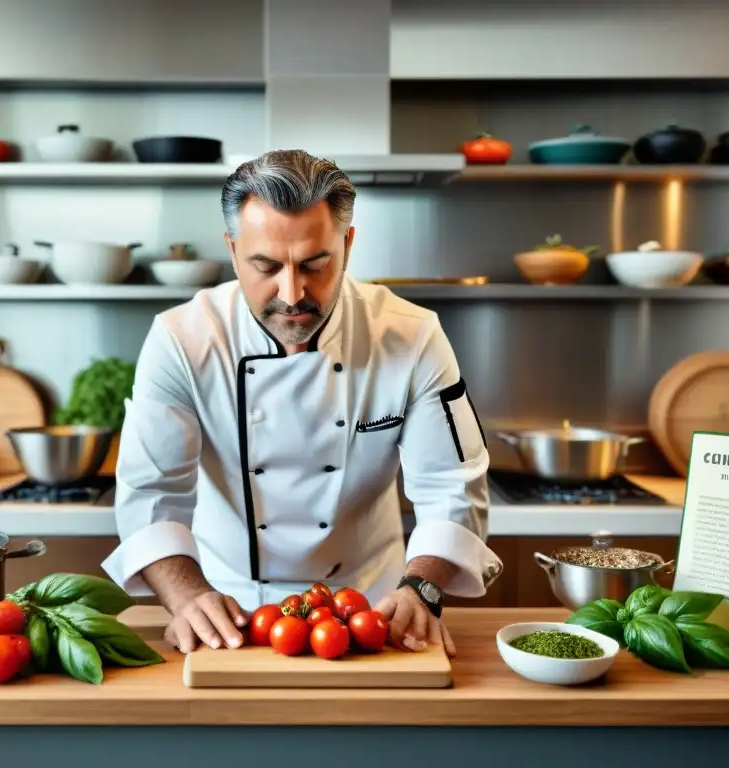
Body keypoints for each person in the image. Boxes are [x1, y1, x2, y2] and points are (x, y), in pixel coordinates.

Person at [101, 149, 503, 657]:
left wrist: (420, 588)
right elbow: (151, 494)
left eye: (315, 264)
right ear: (232, 250)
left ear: (348, 245)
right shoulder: (182, 339)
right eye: (265, 265)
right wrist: (186, 595)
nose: (292, 293)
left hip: (375, 612)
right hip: (229, 613)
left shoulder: (412, 336)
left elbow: (452, 485)